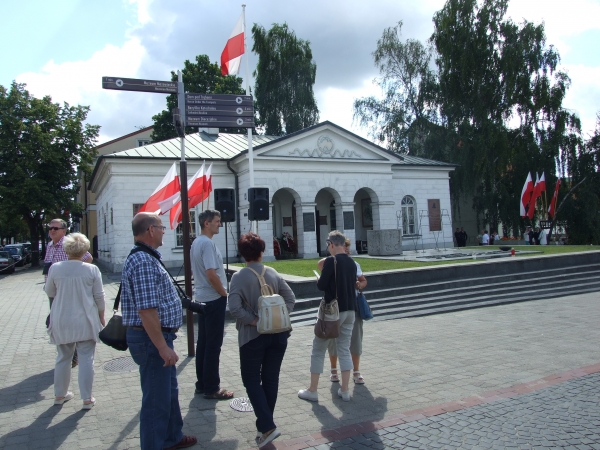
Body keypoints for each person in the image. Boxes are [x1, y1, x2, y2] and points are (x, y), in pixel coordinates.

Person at [122, 213, 197, 450]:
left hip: (157, 338)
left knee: (168, 393)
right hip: (152, 340)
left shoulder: (147, 257)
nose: (166, 231)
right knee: (156, 402)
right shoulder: (143, 261)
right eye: (162, 227)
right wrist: (162, 347)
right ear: (150, 230)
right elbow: (146, 310)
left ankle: (171, 437)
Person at [228, 232, 296, 448]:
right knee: (270, 379)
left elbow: (235, 309)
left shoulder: (239, 277)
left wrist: (256, 321)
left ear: (243, 254)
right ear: (262, 251)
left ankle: (267, 426)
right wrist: (279, 318)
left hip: (253, 337)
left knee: (250, 379)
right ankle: (265, 427)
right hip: (279, 336)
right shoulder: (273, 272)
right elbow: (291, 298)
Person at [44, 233, 104, 409]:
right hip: (85, 318)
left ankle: (60, 394)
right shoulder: (92, 269)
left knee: (63, 357)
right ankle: (87, 398)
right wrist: (101, 315)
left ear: (66, 249)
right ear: (85, 250)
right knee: (86, 358)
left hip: (62, 317)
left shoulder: (55, 268)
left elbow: (49, 292)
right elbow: (99, 297)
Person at [298, 230, 357, 402]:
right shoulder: (352, 262)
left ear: (331, 244)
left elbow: (322, 285)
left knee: (318, 349)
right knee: (344, 348)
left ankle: (313, 390)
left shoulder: (332, 261)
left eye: (328, 246)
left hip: (332, 312)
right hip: (350, 310)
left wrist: (320, 278)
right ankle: (345, 390)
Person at [191, 210, 233, 400]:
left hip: (202, 298)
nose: (220, 224)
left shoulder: (197, 242)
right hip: (213, 298)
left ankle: (202, 383)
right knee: (213, 345)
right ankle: (212, 387)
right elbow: (211, 273)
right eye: (217, 221)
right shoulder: (207, 244)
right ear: (206, 223)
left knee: (204, 343)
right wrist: (224, 293)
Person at [44, 218, 93, 368]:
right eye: (50, 228)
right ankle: (66, 350)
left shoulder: (69, 244)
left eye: (55, 228)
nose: (52, 230)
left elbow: (88, 258)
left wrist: (76, 273)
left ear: (64, 231)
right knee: (57, 320)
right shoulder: (50, 245)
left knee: (71, 319)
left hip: (69, 290)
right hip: (53, 290)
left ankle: (73, 354)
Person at [326, 238, 367, 385]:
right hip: (335, 307)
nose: (347, 250)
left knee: (355, 339)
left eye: (348, 248)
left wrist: (359, 284)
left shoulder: (354, 264)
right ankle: (333, 370)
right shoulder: (332, 263)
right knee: (333, 340)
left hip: (352, 305)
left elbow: (363, 281)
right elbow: (320, 266)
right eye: (345, 247)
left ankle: (356, 372)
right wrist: (333, 256)